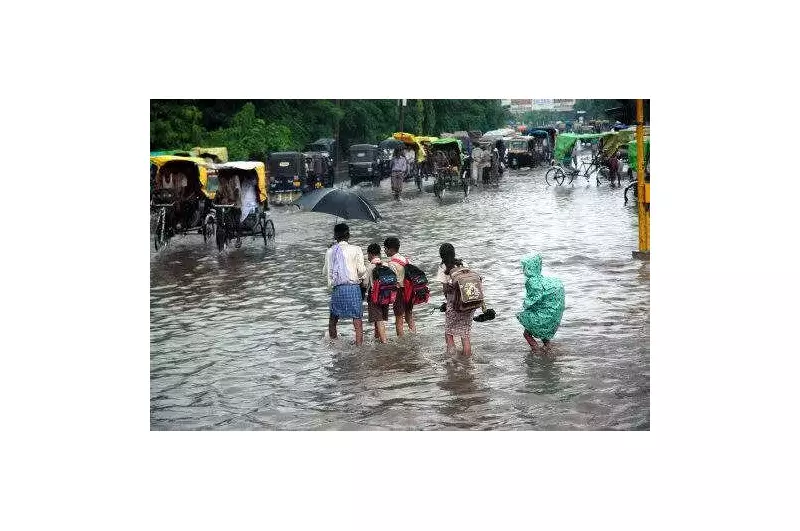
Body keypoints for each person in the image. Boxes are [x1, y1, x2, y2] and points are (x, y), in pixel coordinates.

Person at [323, 223, 367, 345]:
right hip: (353, 289)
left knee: (333, 319)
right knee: (357, 321)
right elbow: (362, 271)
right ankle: (359, 347)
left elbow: (325, 272)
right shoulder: (356, 249)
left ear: (335, 236)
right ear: (348, 235)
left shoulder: (330, 251)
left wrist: (330, 252)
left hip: (338, 290)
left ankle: (333, 345)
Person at [516, 254, 565, 356]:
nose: (524, 270)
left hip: (543, 315)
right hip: (552, 313)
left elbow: (532, 299)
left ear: (530, 268)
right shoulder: (542, 279)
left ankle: (536, 351)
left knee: (526, 334)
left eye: (525, 267)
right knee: (545, 335)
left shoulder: (532, 281)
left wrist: (525, 307)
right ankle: (548, 349)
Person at [435, 243, 476, 356]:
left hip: (454, 304)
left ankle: (452, 360)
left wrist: (448, 303)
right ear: (453, 252)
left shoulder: (443, 267)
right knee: (465, 334)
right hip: (469, 303)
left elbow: (445, 290)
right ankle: (468, 361)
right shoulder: (463, 263)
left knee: (449, 332)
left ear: (441, 255)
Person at [384, 236, 415, 337]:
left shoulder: (391, 263)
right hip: (409, 291)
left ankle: (401, 341)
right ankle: (414, 334)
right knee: (409, 316)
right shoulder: (406, 260)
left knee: (399, 318)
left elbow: (392, 281)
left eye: (385, 248)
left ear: (391, 249)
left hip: (399, 292)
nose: (384, 250)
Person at [362, 243, 389, 344]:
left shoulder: (370, 266)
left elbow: (365, 284)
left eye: (368, 254)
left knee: (378, 319)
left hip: (375, 296)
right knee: (380, 318)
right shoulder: (386, 264)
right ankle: (377, 337)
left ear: (370, 254)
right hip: (386, 294)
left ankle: (384, 342)